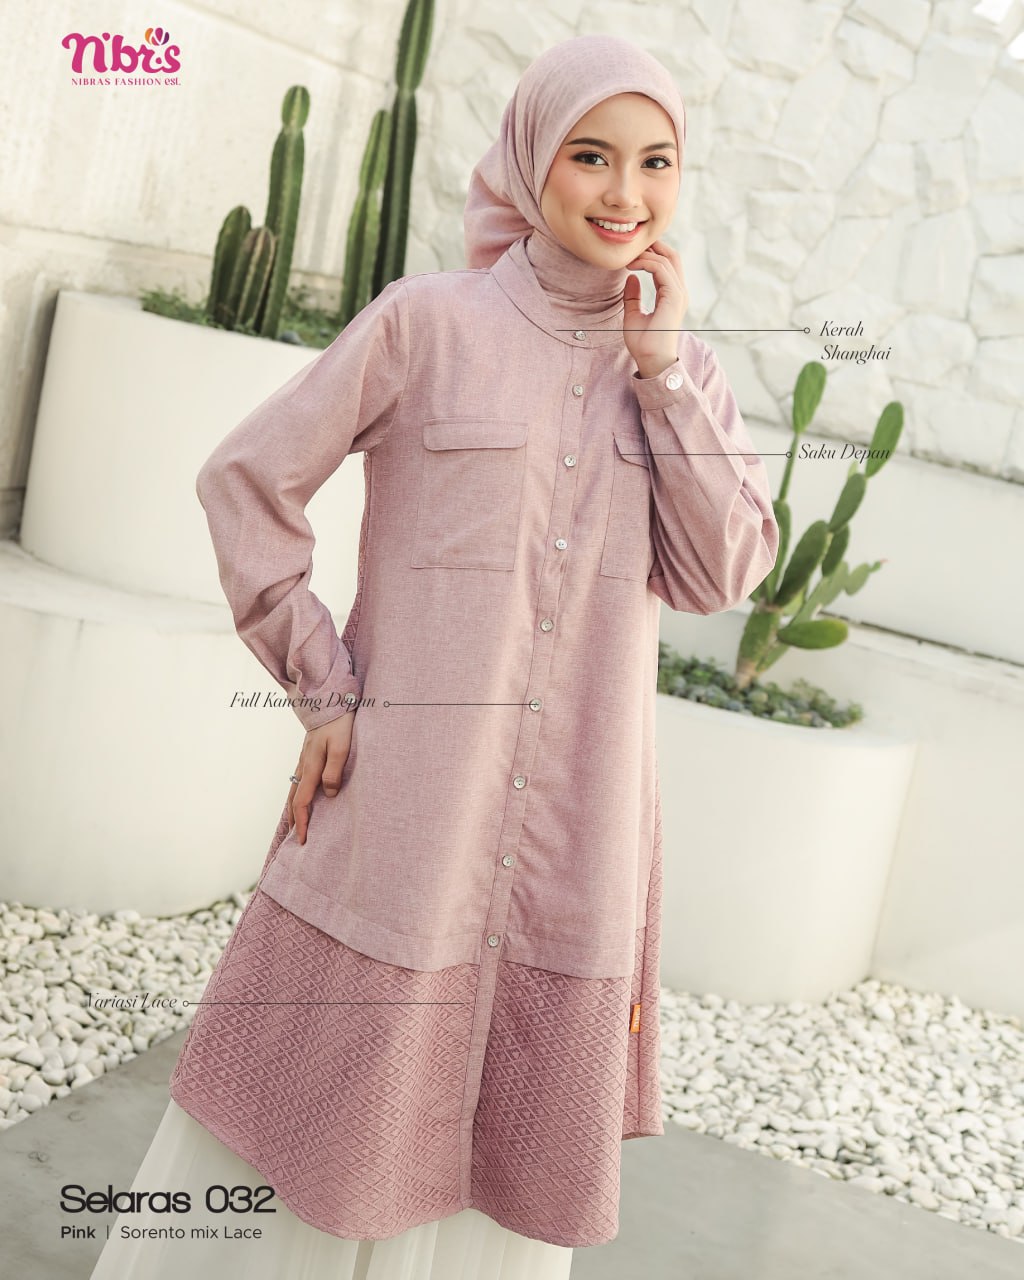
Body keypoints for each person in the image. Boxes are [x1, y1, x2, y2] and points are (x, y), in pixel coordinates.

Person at [89, 32, 778, 1280]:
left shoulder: (685, 374)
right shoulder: (426, 324)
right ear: (532, 157)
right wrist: (322, 687)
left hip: (574, 844)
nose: (625, 193)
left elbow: (723, 572)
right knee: (312, 1136)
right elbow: (246, 480)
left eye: (656, 163)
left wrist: (664, 374)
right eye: (591, 156)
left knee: (496, 1181)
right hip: (409, 819)